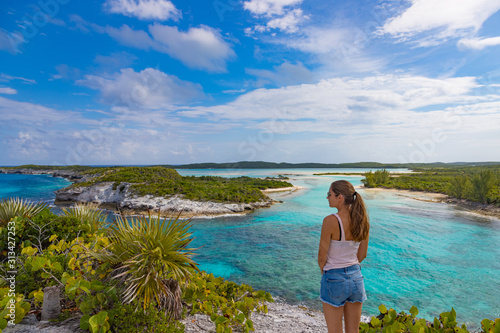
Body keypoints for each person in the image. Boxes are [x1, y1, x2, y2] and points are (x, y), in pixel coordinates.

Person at [318, 180, 370, 333]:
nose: (327, 198)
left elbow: (322, 257)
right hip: (356, 278)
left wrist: (327, 272)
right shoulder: (363, 221)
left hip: (334, 278)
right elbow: (362, 255)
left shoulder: (330, 221)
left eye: (329, 194)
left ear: (340, 197)